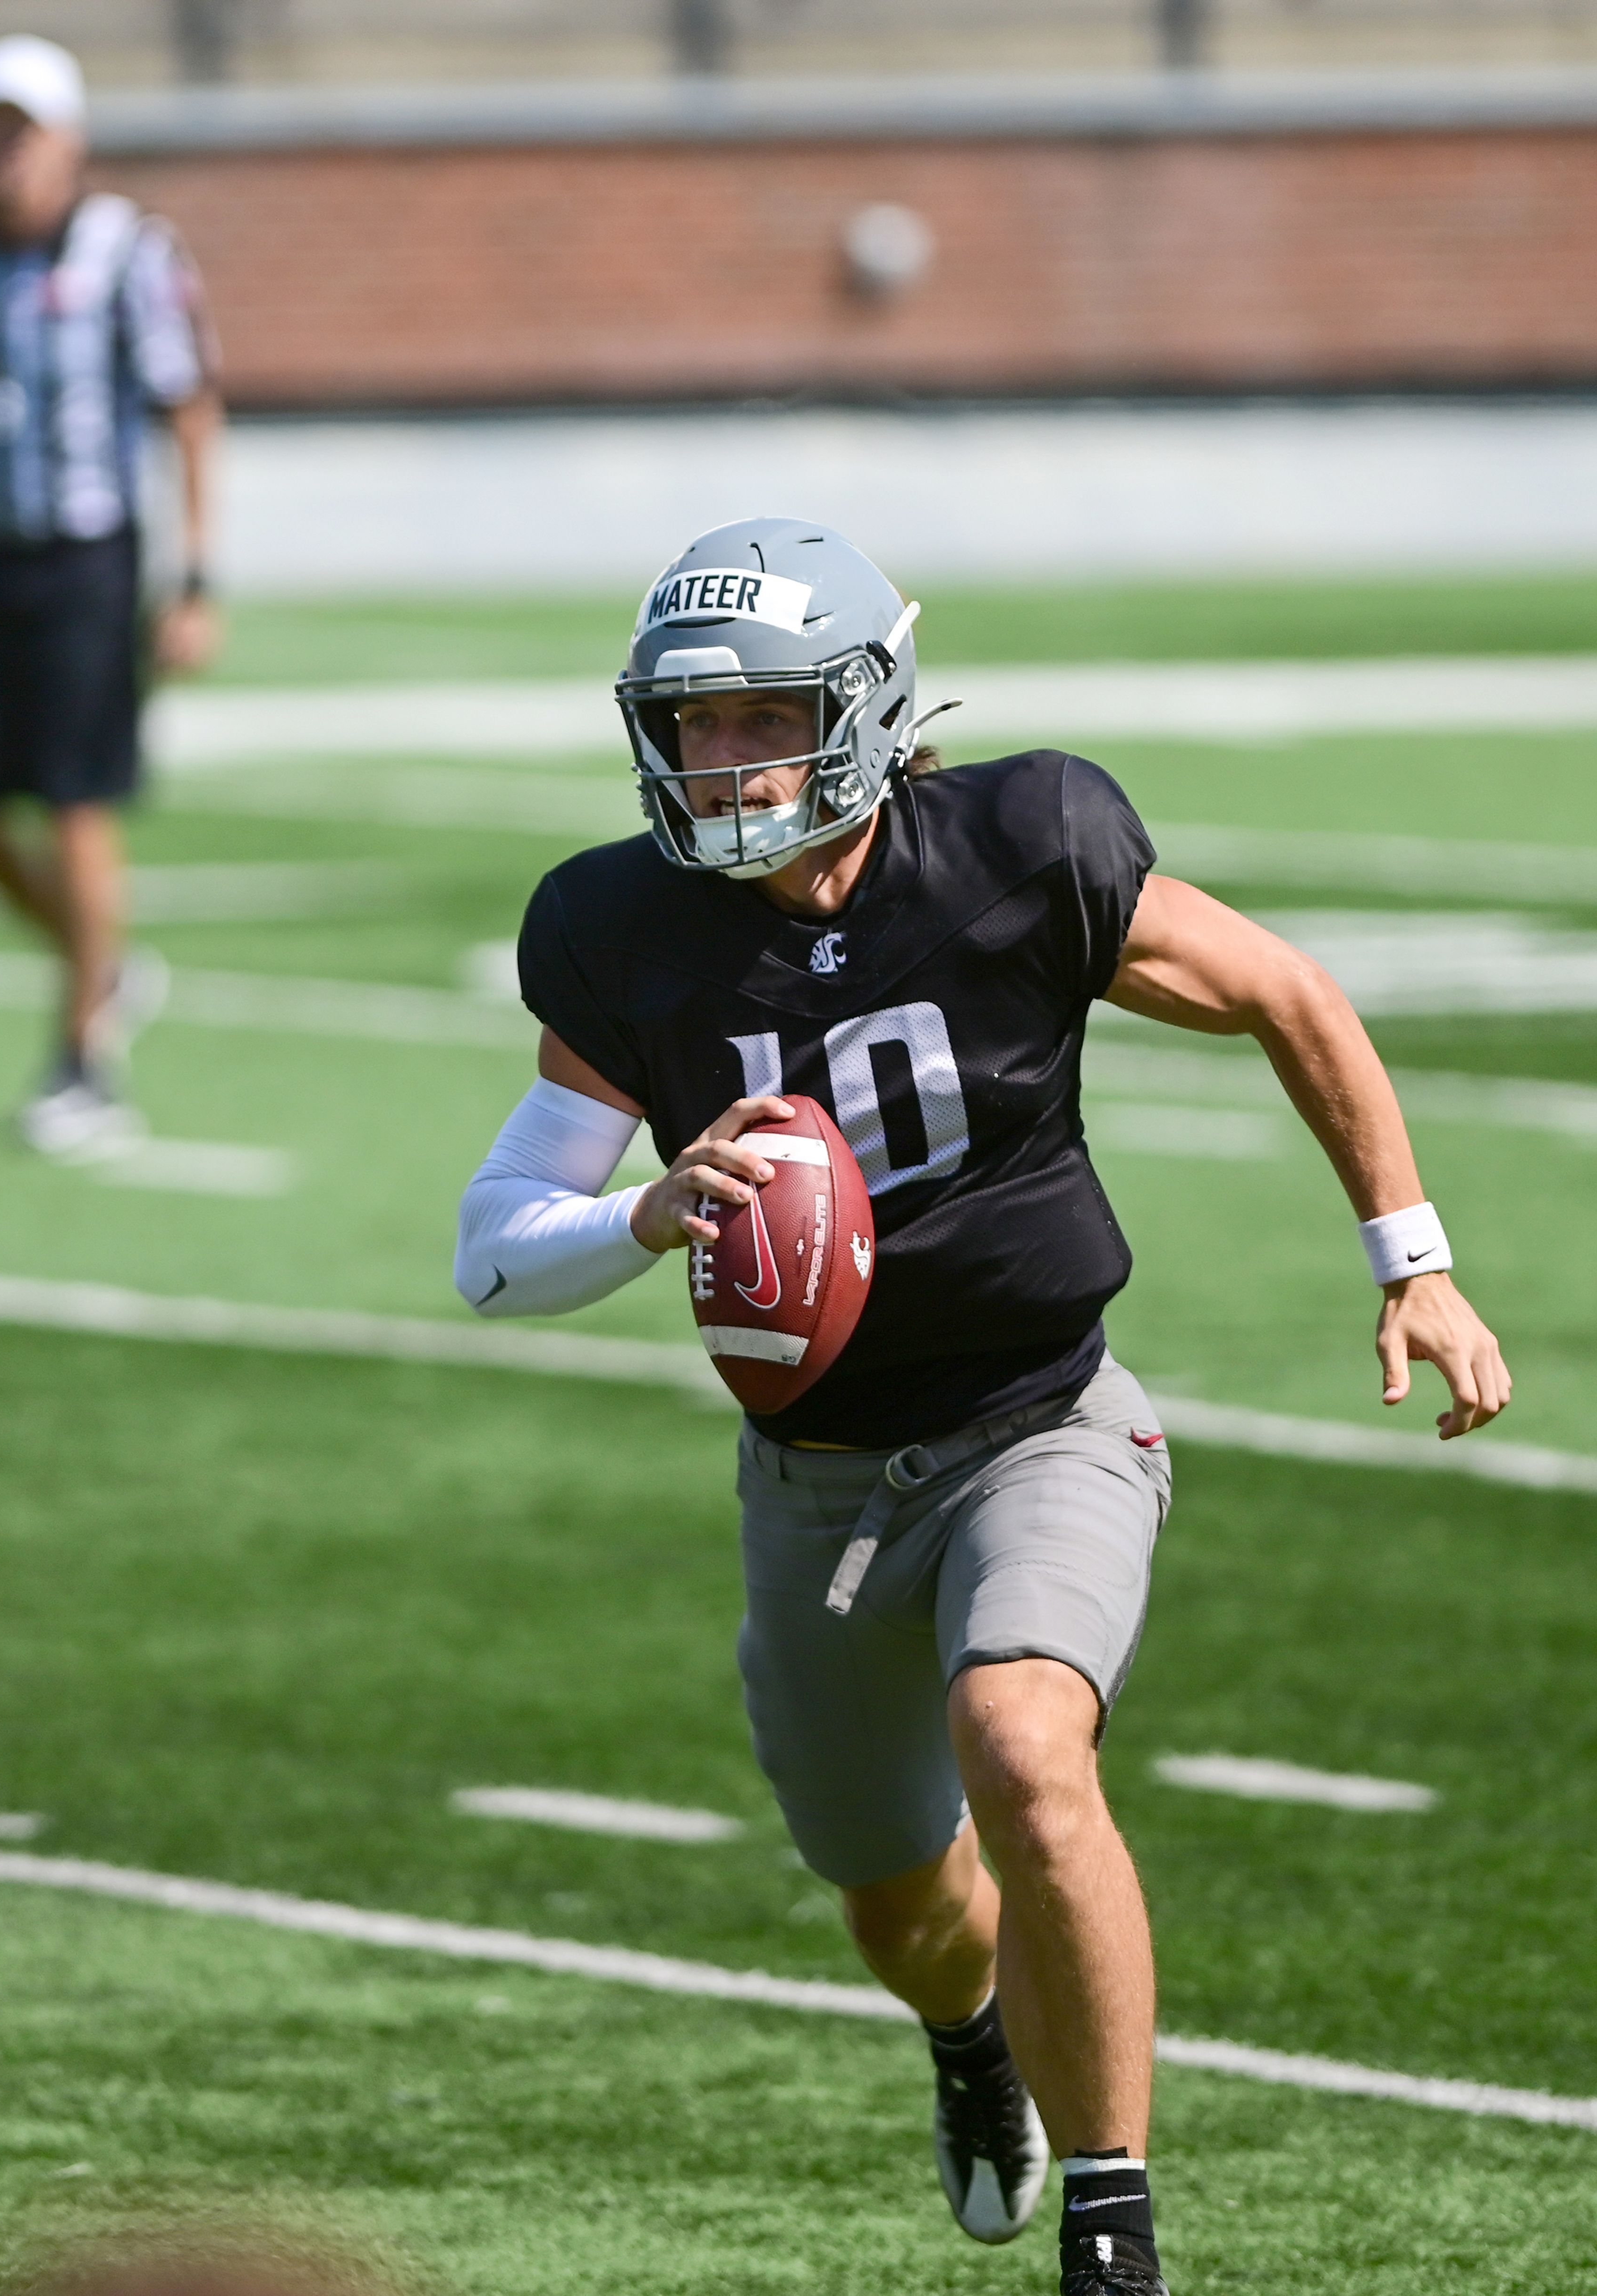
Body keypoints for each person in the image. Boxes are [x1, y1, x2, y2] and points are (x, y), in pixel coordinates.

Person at [453, 517, 1511, 2296]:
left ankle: (1116, 2231)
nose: (720, 764)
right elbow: (495, 1251)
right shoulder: (624, 928)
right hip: (816, 1479)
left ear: (864, 705)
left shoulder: (1025, 846)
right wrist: (649, 1209)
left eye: (760, 719)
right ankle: (971, 2040)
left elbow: (1283, 991)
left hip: (1047, 1417)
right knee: (904, 1905)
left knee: (1026, 1746)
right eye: (691, 727)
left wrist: (1413, 1256)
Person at [0, 33, 223, 1156]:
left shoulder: (126, 252)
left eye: (26, 131)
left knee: (73, 803)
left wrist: (195, 573)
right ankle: (102, 964)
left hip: (87, 558)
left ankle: (84, 1058)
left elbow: (189, 410)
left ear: (69, 142)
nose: (7, 153)